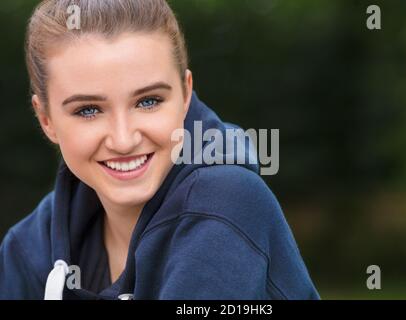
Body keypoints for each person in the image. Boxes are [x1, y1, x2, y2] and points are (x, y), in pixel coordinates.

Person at [0, 0, 319, 300]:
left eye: (148, 101)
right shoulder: (28, 248)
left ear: (185, 94)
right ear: (46, 119)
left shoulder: (224, 205)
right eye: (88, 110)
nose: (123, 140)